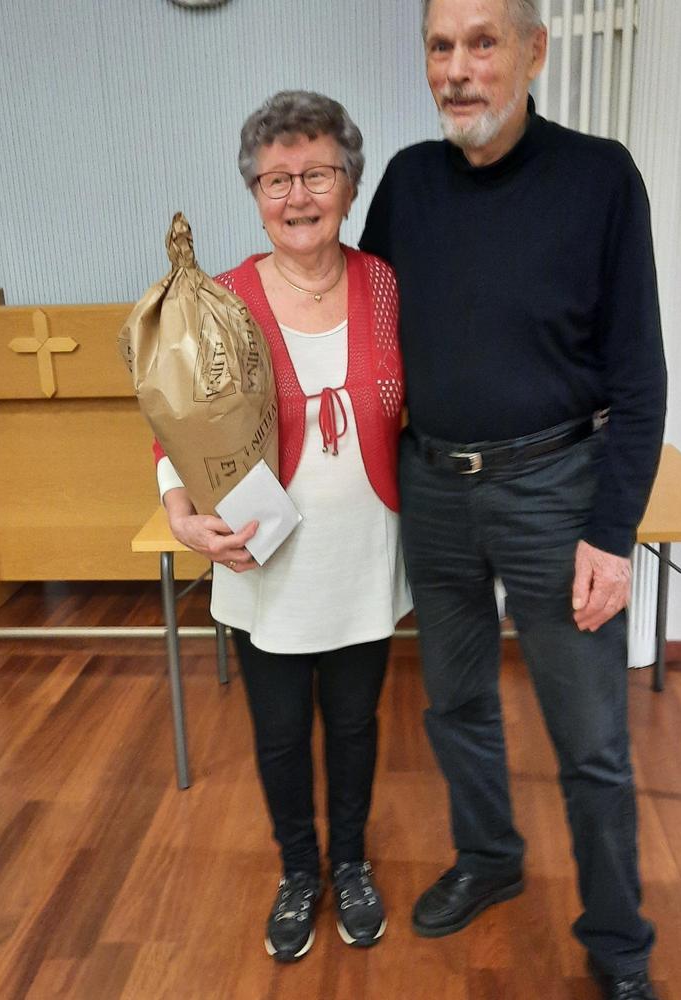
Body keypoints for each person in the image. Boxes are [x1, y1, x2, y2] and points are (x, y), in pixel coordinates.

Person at [359, 1, 666, 998]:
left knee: (591, 742)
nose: (458, 68)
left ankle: (618, 943)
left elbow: (640, 372)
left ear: (533, 52)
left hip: (556, 492)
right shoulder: (407, 182)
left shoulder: (599, 177)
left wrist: (612, 533)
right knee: (455, 703)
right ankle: (489, 856)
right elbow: (365, 337)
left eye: (482, 42)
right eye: (440, 46)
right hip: (434, 488)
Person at [154, 90, 411, 964]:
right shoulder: (220, 299)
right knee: (278, 733)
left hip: (363, 549)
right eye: (277, 180)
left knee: (355, 725)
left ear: (349, 183)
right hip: (263, 559)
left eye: (317, 175)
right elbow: (175, 422)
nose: (298, 196)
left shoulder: (385, 284)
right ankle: (300, 871)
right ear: (255, 192)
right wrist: (181, 515)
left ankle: (353, 863)